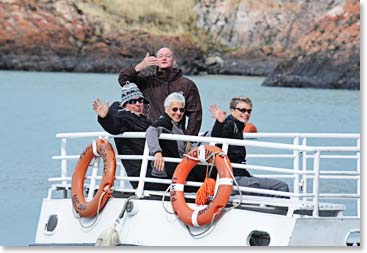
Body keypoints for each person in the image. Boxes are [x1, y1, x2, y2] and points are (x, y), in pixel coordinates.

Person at [209, 96, 289, 197]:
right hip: (232, 179)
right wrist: (219, 123)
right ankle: (281, 211)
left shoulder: (238, 126)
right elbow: (217, 138)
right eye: (242, 110)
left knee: (270, 185)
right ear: (232, 110)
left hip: (239, 176)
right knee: (281, 187)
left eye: (249, 111)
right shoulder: (230, 124)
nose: (246, 114)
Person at [118, 47, 202, 136]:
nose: (164, 58)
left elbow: (195, 114)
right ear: (156, 61)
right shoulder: (146, 80)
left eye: (168, 56)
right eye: (161, 56)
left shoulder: (187, 84)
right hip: (150, 135)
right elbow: (123, 80)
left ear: (174, 61)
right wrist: (141, 65)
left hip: (175, 138)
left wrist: (188, 139)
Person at [146, 92, 211, 191]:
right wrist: (157, 152)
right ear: (166, 109)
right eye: (174, 109)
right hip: (167, 172)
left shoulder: (178, 126)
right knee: (204, 177)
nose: (178, 113)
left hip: (177, 168)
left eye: (181, 110)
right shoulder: (164, 123)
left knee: (207, 171)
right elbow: (151, 131)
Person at [93, 82, 152, 189]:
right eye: (132, 101)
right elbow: (115, 126)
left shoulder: (143, 119)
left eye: (140, 100)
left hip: (154, 168)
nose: (138, 104)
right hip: (143, 174)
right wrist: (105, 118)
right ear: (125, 105)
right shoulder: (126, 118)